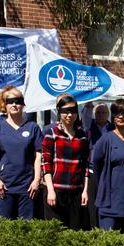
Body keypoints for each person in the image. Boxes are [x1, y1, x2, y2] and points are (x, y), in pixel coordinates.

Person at [0, 86, 43, 220]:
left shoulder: (33, 127)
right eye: (10, 101)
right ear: (5, 105)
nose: (14, 104)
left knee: (26, 228)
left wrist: (36, 180)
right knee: (4, 227)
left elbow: (38, 156)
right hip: (5, 185)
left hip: (27, 187)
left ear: (23, 104)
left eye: (18, 101)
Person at [42, 94, 90, 230]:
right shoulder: (51, 133)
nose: (69, 115)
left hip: (75, 192)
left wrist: (85, 191)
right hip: (56, 190)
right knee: (55, 231)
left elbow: (85, 165)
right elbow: (46, 164)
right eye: (65, 111)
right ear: (59, 112)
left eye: (73, 111)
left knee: (74, 231)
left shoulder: (82, 136)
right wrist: (50, 190)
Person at [89, 99, 124, 236]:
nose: (121, 116)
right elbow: (95, 166)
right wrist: (103, 185)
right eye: (117, 113)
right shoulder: (106, 140)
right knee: (107, 244)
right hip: (109, 204)